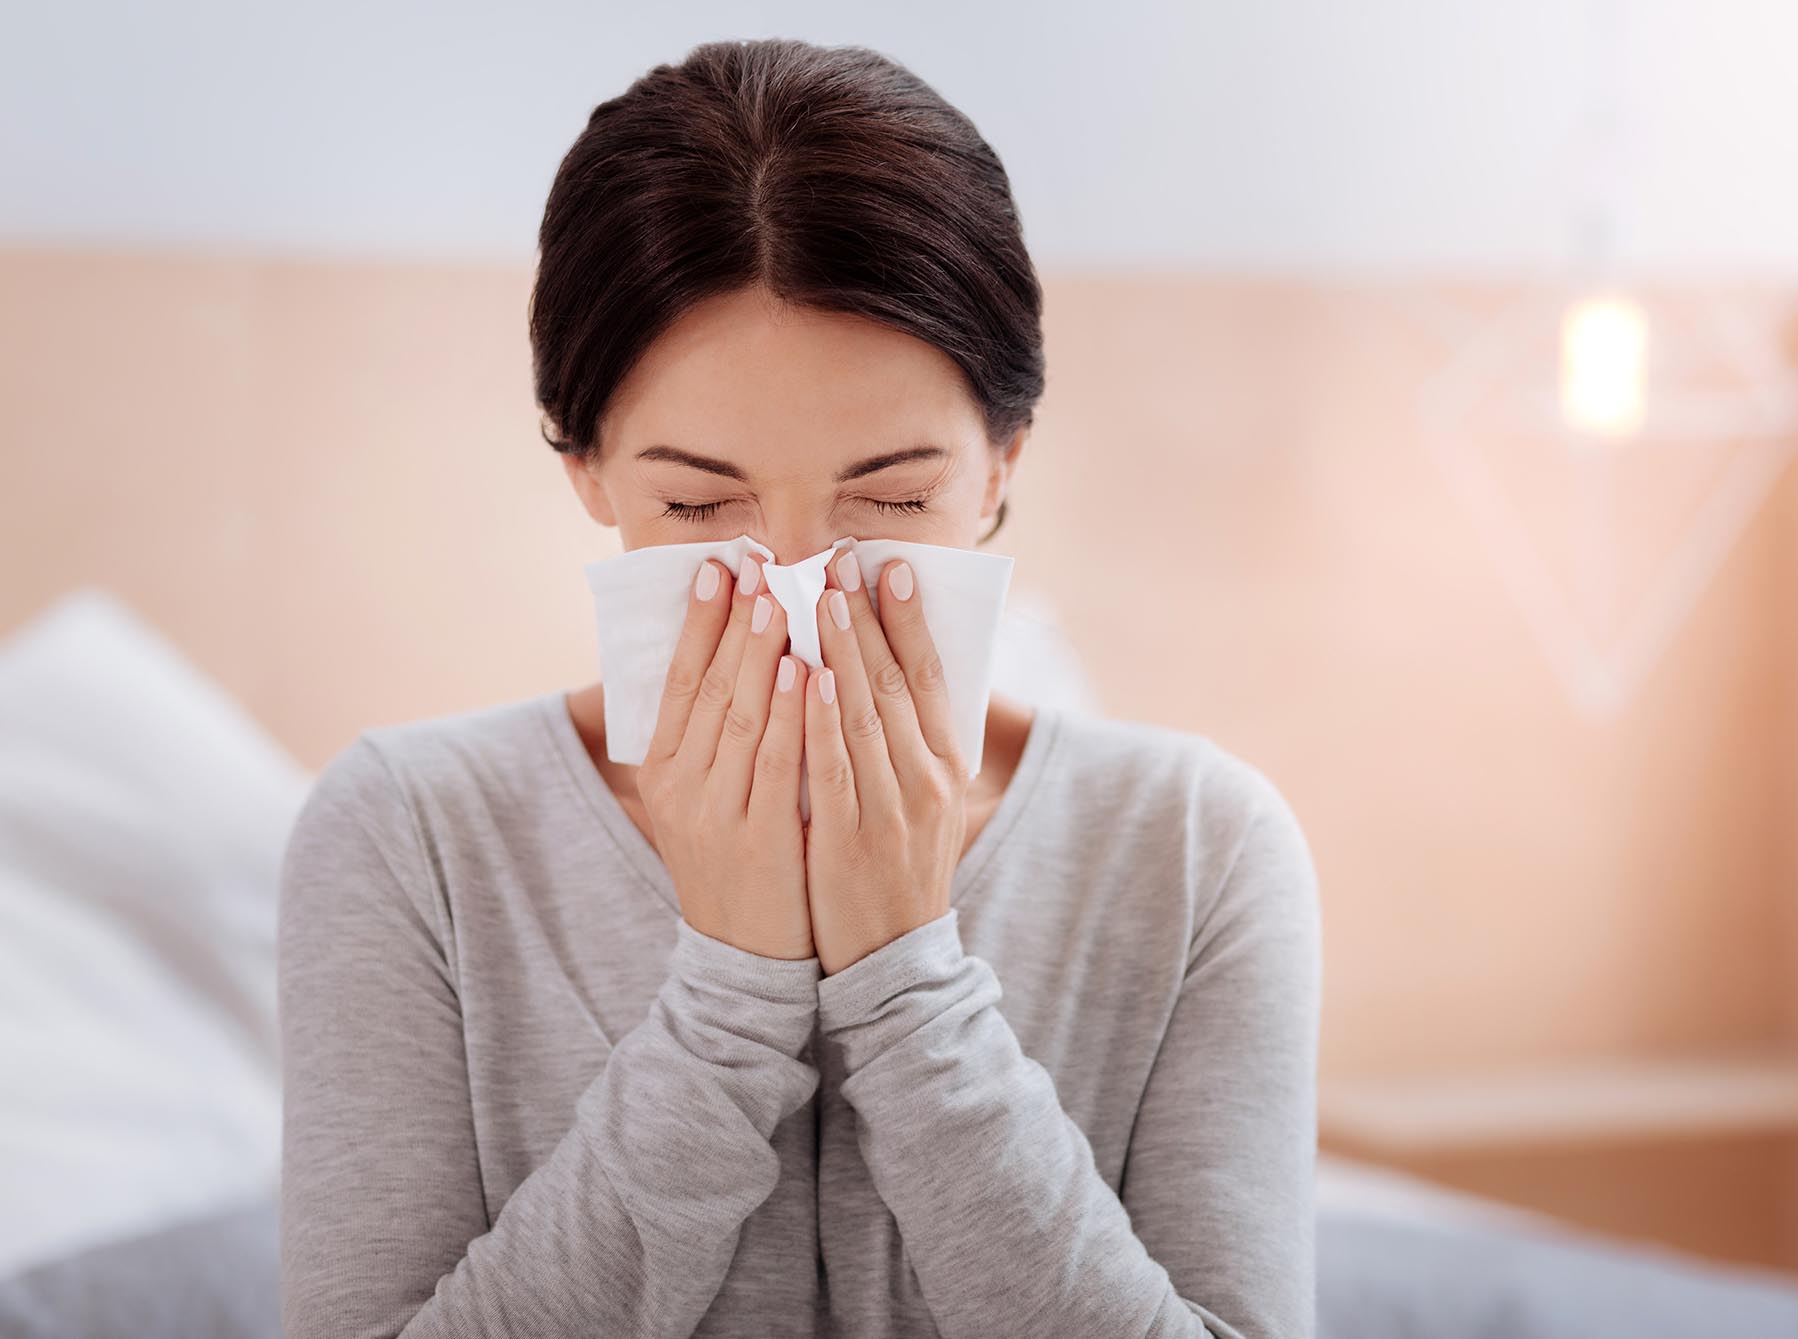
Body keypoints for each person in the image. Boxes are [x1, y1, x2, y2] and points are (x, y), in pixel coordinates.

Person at [276, 36, 1320, 1339]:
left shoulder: (1197, 851)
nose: (796, 581)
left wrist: (909, 990)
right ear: (588, 473)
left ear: (1001, 466)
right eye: (699, 501)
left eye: (891, 497)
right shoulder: (407, 838)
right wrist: (725, 996)